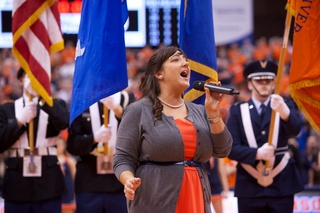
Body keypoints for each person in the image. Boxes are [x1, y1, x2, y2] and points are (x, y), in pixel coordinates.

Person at [113, 46, 233, 213]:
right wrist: (128, 180)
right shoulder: (138, 110)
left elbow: (223, 150)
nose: (185, 63)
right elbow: (122, 158)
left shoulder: (200, 111)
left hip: (196, 196)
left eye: (185, 60)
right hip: (154, 198)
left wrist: (213, 112)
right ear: (158, 74)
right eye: (176, 60)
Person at [226, 60, 304, 213]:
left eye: (268, 80)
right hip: (249, 186)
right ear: (249, 84)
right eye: (259, 80)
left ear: (274, 83)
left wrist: (285, 113)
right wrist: (256, 153)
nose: (264, 84)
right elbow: (230, 149)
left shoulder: (284, 105)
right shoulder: (237, 111)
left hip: (282, 183)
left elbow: (296, 131)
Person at [0, 67, 69, 213]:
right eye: (28, 76)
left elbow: (64, 121)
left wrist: (42, 98)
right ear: (20, 80)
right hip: (16, 183)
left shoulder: (55, 105)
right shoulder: (7, 109)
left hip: (48, 183)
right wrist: (19, 122)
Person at [67, 91, 134, 213]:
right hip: (89, 181)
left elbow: (137, 133)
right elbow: (72, 146)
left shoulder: (126, 98)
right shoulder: (82, 101)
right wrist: (93, 138)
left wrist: (119, 112)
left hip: (119, 181)